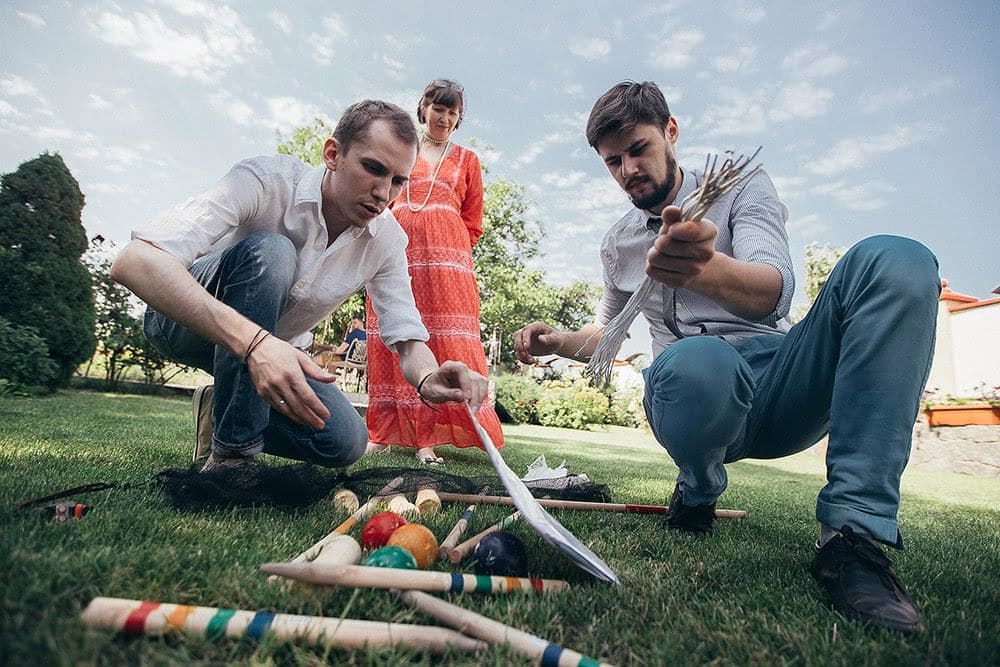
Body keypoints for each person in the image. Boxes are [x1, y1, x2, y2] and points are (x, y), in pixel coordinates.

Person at [514, 81, 939, 633]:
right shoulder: (618, 243)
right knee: (696, 362)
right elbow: (608, 335)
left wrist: (705, 270)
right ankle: (698, 488)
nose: (628, 170)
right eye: (613, 161)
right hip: (695, 393)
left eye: (638, 149)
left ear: (671, 132)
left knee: (897, 260)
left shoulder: (740, 185)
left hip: (783, 382)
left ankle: (853, 534)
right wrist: (557, 342)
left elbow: (775, 292)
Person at [111, 100, 488, 474]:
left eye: (398, 181)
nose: (383, 193)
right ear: (333, 154)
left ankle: (222, 405)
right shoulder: (267, 181)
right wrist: (256, 344)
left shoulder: (387, 240)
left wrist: (427, 377)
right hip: (180, 327)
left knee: (346, 441)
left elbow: (407, 338)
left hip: (271, 356)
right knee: (273, 252)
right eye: (373, 169)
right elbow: (134, 261)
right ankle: (232, 458)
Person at [365, 79, 504, 466]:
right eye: (438, 108)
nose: (444, 117)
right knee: (392, 335)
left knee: (440, 341)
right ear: (423, 109)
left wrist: (445, 246)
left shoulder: (467, 160)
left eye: (452, 112)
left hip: (446, 265)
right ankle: (382, 433)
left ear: (458, 119)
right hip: (396, 252)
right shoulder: (403, 150)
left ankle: (427, 439)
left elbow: (472, 222)